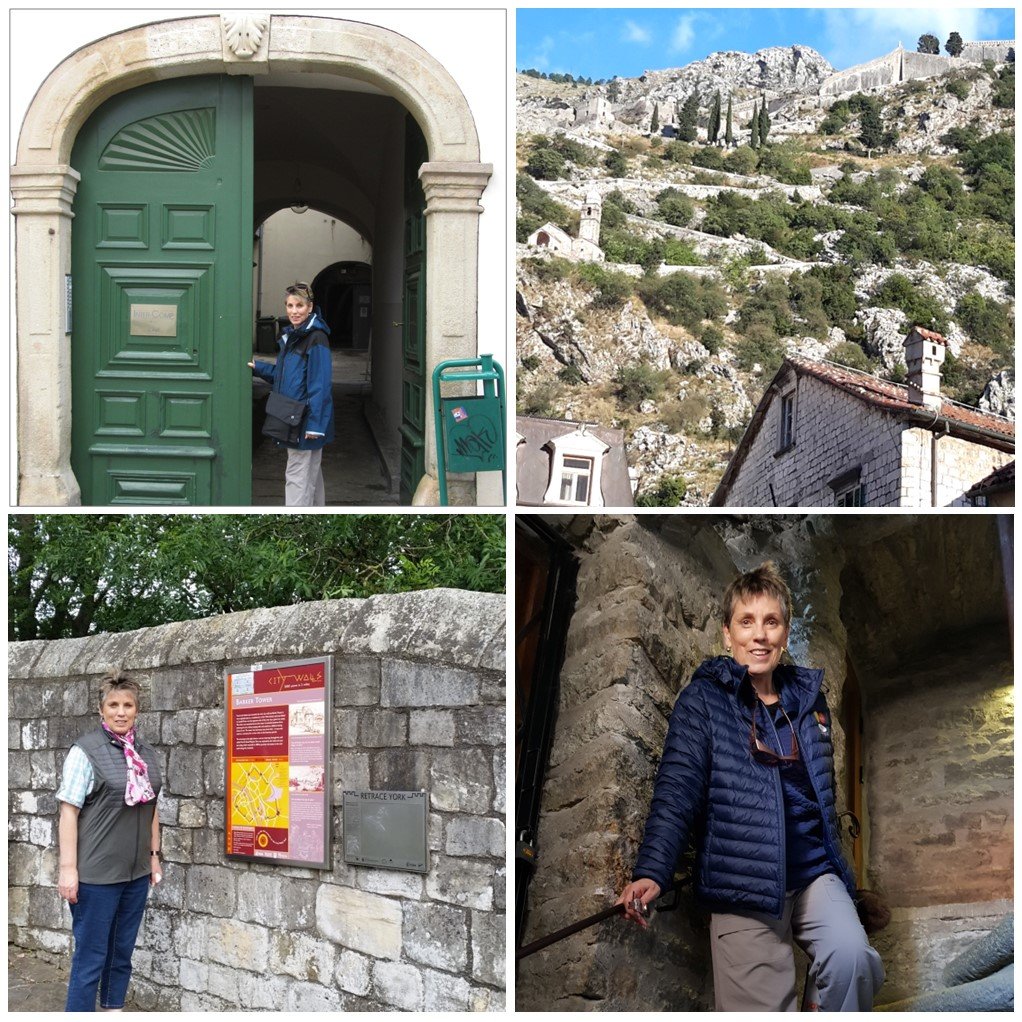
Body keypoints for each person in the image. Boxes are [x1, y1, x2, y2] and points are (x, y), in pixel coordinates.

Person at [616, 562, 884, 1011]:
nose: (759, 634)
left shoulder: (809, 701)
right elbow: (678, 788)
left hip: (816, 875)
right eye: (746, 621)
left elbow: (823, 796)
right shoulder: (703, 700)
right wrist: (653, 870)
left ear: (784, 633)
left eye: (771, 621)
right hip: (744, 884)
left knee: (852, 958)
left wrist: (842, 869)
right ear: (727, 634)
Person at [56, 671, 163, 1012]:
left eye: (128, 705)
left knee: (121, 954)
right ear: (101, 710)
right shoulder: (85, 752)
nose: (121, 712)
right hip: (96, 877)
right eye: (113, 704)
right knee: (91, 958)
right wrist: (68, 869)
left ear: (137, 709)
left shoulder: (145, 753)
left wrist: (154, 855)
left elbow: (151, 807)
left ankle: (113, 1010)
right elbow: (68, 812)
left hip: (134, 873)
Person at [249, 281, 335, 506]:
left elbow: (320, 384)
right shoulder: (293, 336)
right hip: (293, 414)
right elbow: (286, 376)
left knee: (297, 473)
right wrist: (258, 367)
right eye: (289, 306)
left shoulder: (316, 338)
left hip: (304, 418)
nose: (294, 311)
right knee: (311, 472)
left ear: (310, 307)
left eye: (299, 306)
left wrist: (316, 425)